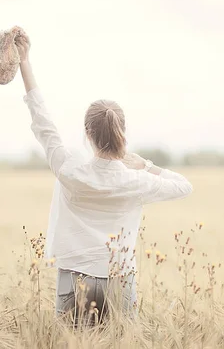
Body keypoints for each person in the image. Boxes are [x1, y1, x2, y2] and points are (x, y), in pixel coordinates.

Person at [14, 32, 193, 325]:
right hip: (120, 278)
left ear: (88, 133)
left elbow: (42, 119)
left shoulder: (69, 168)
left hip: (73, 276)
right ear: (122, 132)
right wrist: (146, 165)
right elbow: (184, 186)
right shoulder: (136, 180)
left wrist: (24, 62)